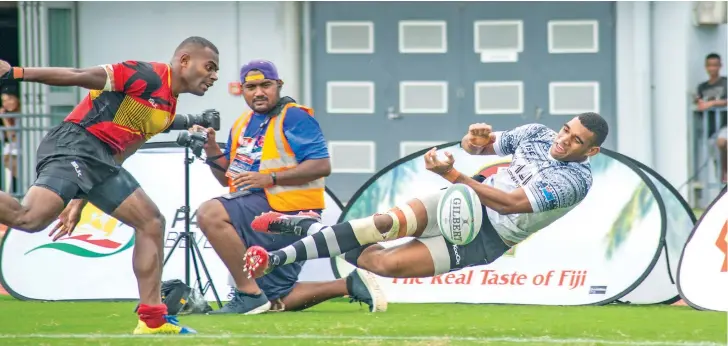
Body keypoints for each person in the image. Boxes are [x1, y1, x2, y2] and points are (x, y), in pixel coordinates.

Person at [0, 36, 220, 335]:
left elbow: (121, 153)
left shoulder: (166, 108)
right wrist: (15, 73)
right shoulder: (146, 74)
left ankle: (153, 320)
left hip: (102, 162)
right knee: (30, 218)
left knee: (151, 222)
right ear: (184, 61)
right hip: (76, 144)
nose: (214, 76)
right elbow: (78, 76)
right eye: (209, 67)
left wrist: (80, 199)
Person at [242, 113, 609, 281]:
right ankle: (274, 258)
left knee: (383, 265)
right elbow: (478, 147)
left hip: (489, 238)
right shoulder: (537, 135)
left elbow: (510, 203)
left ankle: (310, 225)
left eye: (576, 140)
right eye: (566, 129)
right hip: (466, 201)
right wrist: (474, 139)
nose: (563, 139)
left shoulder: (575, 180)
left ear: (589, 152)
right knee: (382, 225)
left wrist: (452, 174)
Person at [193, 60, 385, 315]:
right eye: (251, 87)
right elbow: (228, 179)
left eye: (266, 85)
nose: (259, 92)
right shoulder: (241, 123)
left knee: (210, 213)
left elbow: (321, 164)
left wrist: (269, 178)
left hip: (288, 212)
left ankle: (247, 293)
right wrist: (212, 149)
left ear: (278, 85)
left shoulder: (294, 116)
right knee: (275, 298)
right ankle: (348, 284)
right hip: (256, 208)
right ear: (242, 90)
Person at [695, 53, 727, 183]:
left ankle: (726, 174)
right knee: (717, 161)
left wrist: (712, 103)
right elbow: (699, 103)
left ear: (720, 66)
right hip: (711, 128)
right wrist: (700, 103)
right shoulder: (702, 87)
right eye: (710, 65)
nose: (712, 68)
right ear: (706, 67)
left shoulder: (725, 83)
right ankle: (723, 184)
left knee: (723, 141)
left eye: (715, 65)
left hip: (725, 124)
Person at [0, 84, 20, 193]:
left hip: (21, 153)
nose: (6, 103)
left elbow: (13, 137)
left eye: (10, 99)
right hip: (12, 153)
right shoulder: (11, 116)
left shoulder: (21, 115)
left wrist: (5, 120)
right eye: (4, 100)